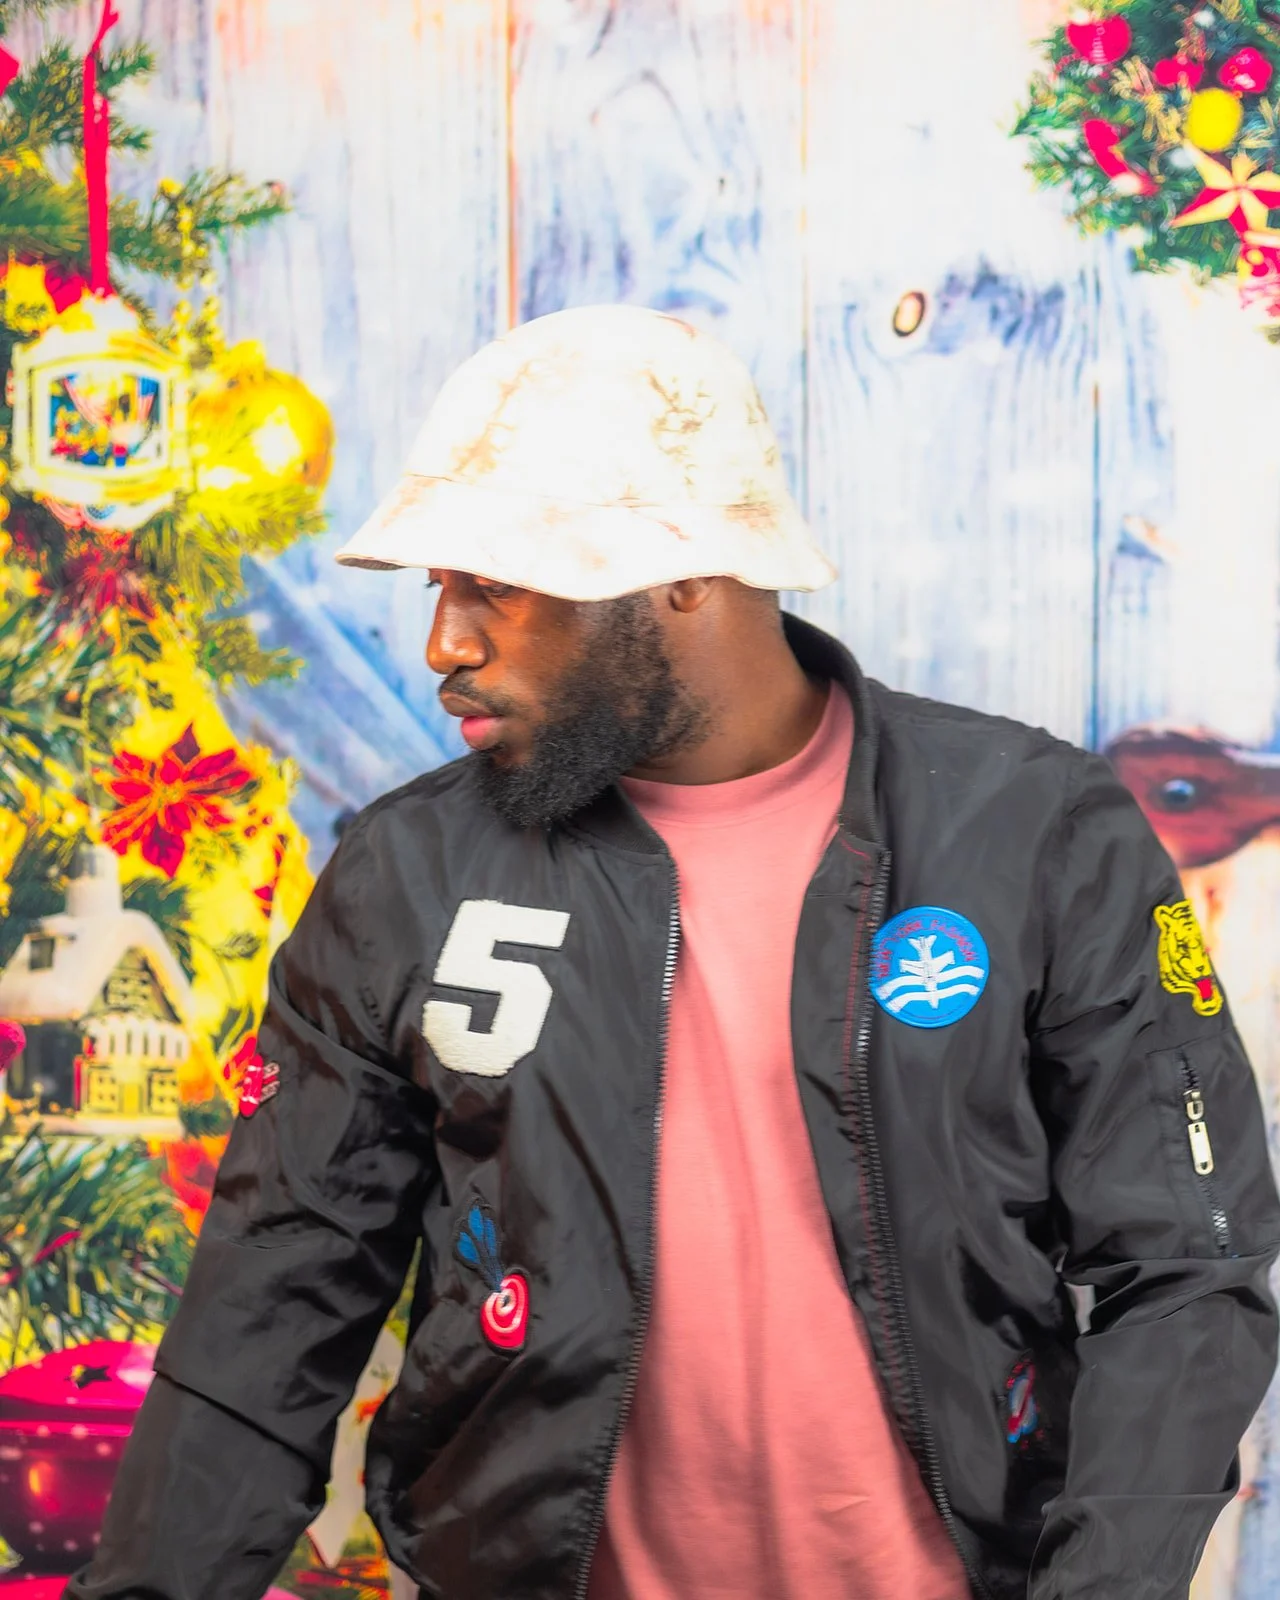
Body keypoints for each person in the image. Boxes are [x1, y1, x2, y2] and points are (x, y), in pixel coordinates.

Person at [69, 304, 1280, 1600]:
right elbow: (270, 1315)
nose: (444, 646)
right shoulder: (404, 878)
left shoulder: (1035, 833)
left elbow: (1188, 1273)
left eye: (497, 585)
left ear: (683, 578)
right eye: (439, 588)